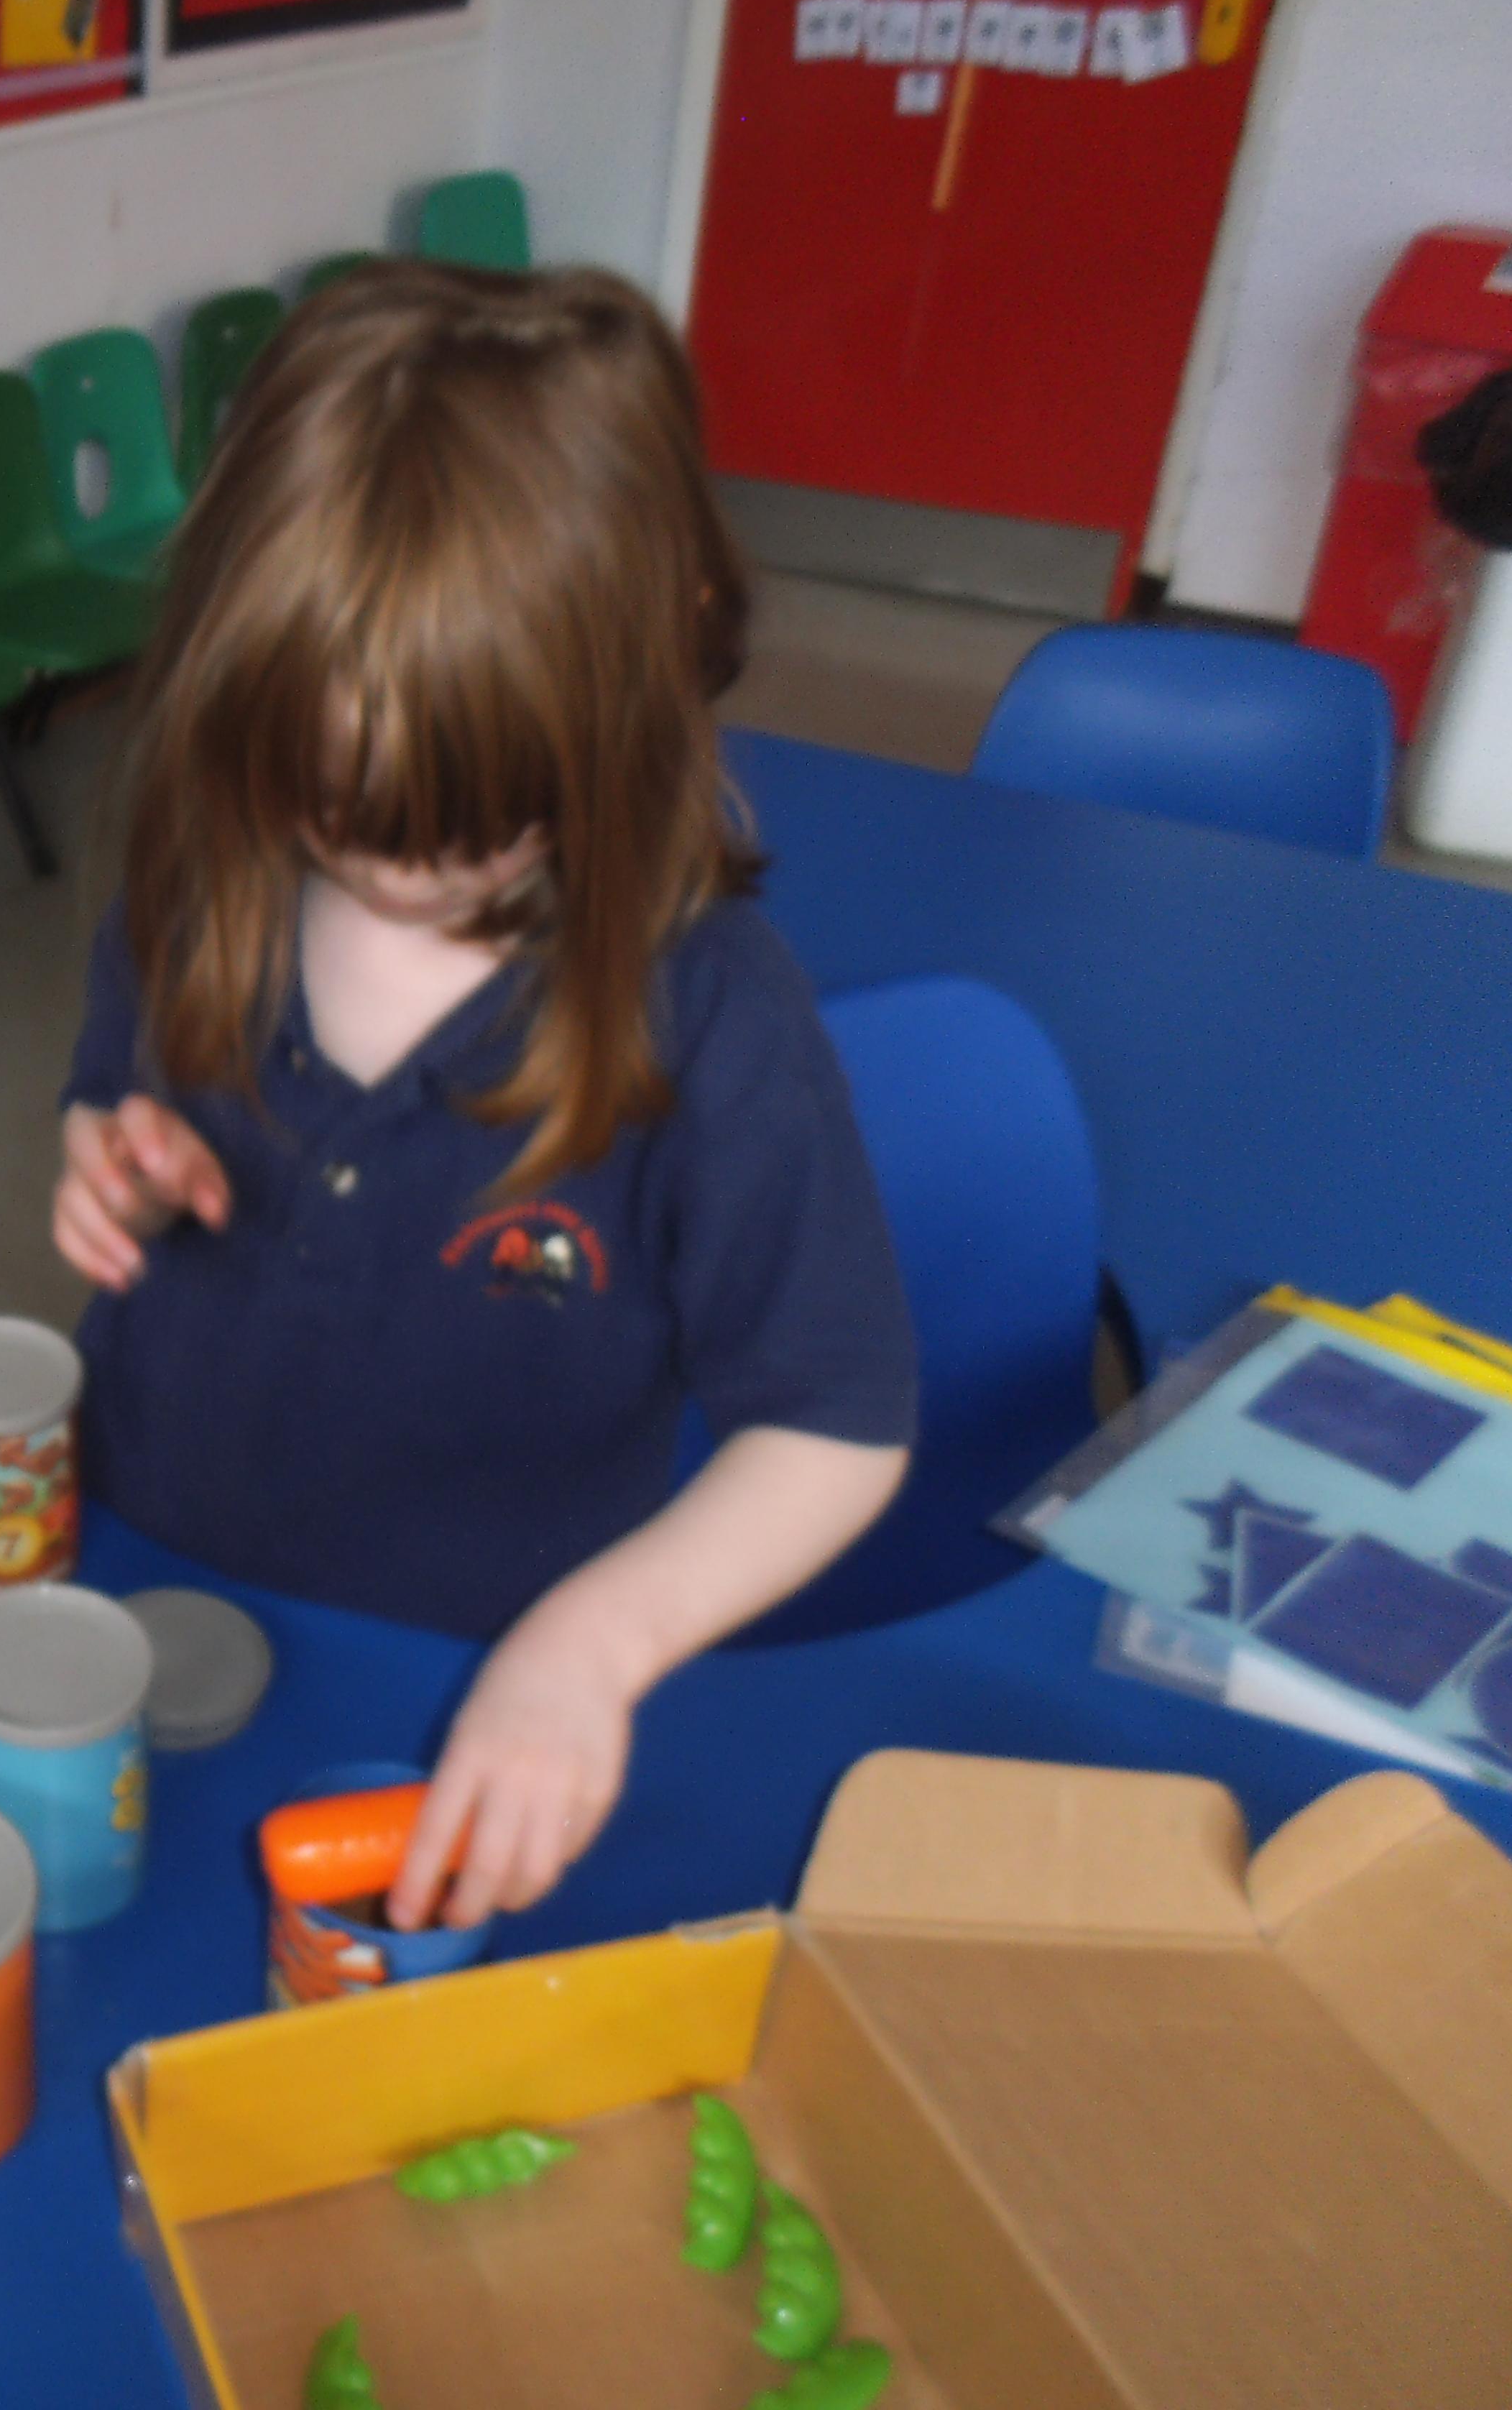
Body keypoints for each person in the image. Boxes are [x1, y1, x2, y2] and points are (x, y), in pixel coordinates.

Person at [52, 262, 916, 1936]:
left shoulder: (712, 1020)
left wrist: (592, 1649)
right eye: (326, 803)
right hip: (153, 1593)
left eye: (469, 822)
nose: (388, 871)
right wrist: (102, 1160)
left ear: (632, 688)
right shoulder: (194, 892)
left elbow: (837, 1424)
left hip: (469, 1698)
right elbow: (106, 1091)